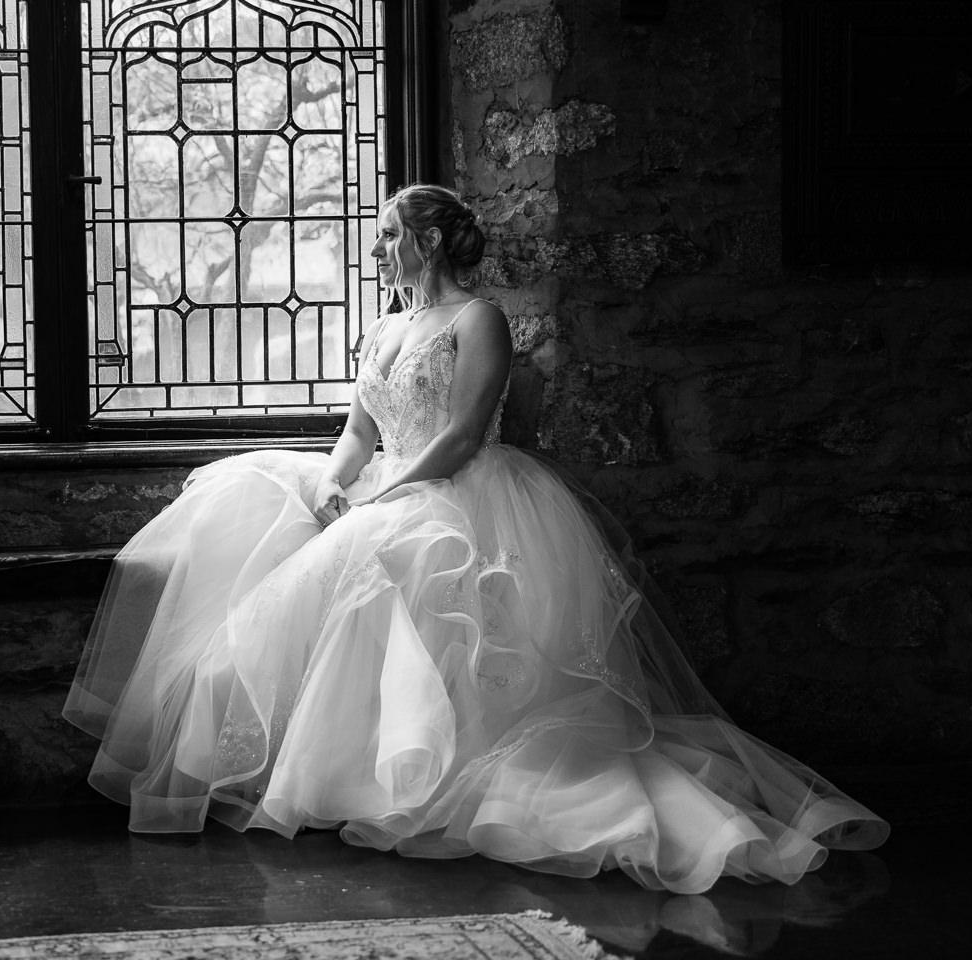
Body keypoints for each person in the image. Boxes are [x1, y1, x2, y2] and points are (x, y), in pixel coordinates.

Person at [62, 184, 888, 894]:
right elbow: (357, 433)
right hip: (391, 483)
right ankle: (357, 777)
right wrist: (333, 488)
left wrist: (387, 495)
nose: (376, 251)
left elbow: (461, 435)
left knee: (396, 567)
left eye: (388, 235)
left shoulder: (479, 318)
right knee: (274, 539)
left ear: (428, 241)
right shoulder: (381, 328)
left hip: (460, 494)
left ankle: (444, 776)